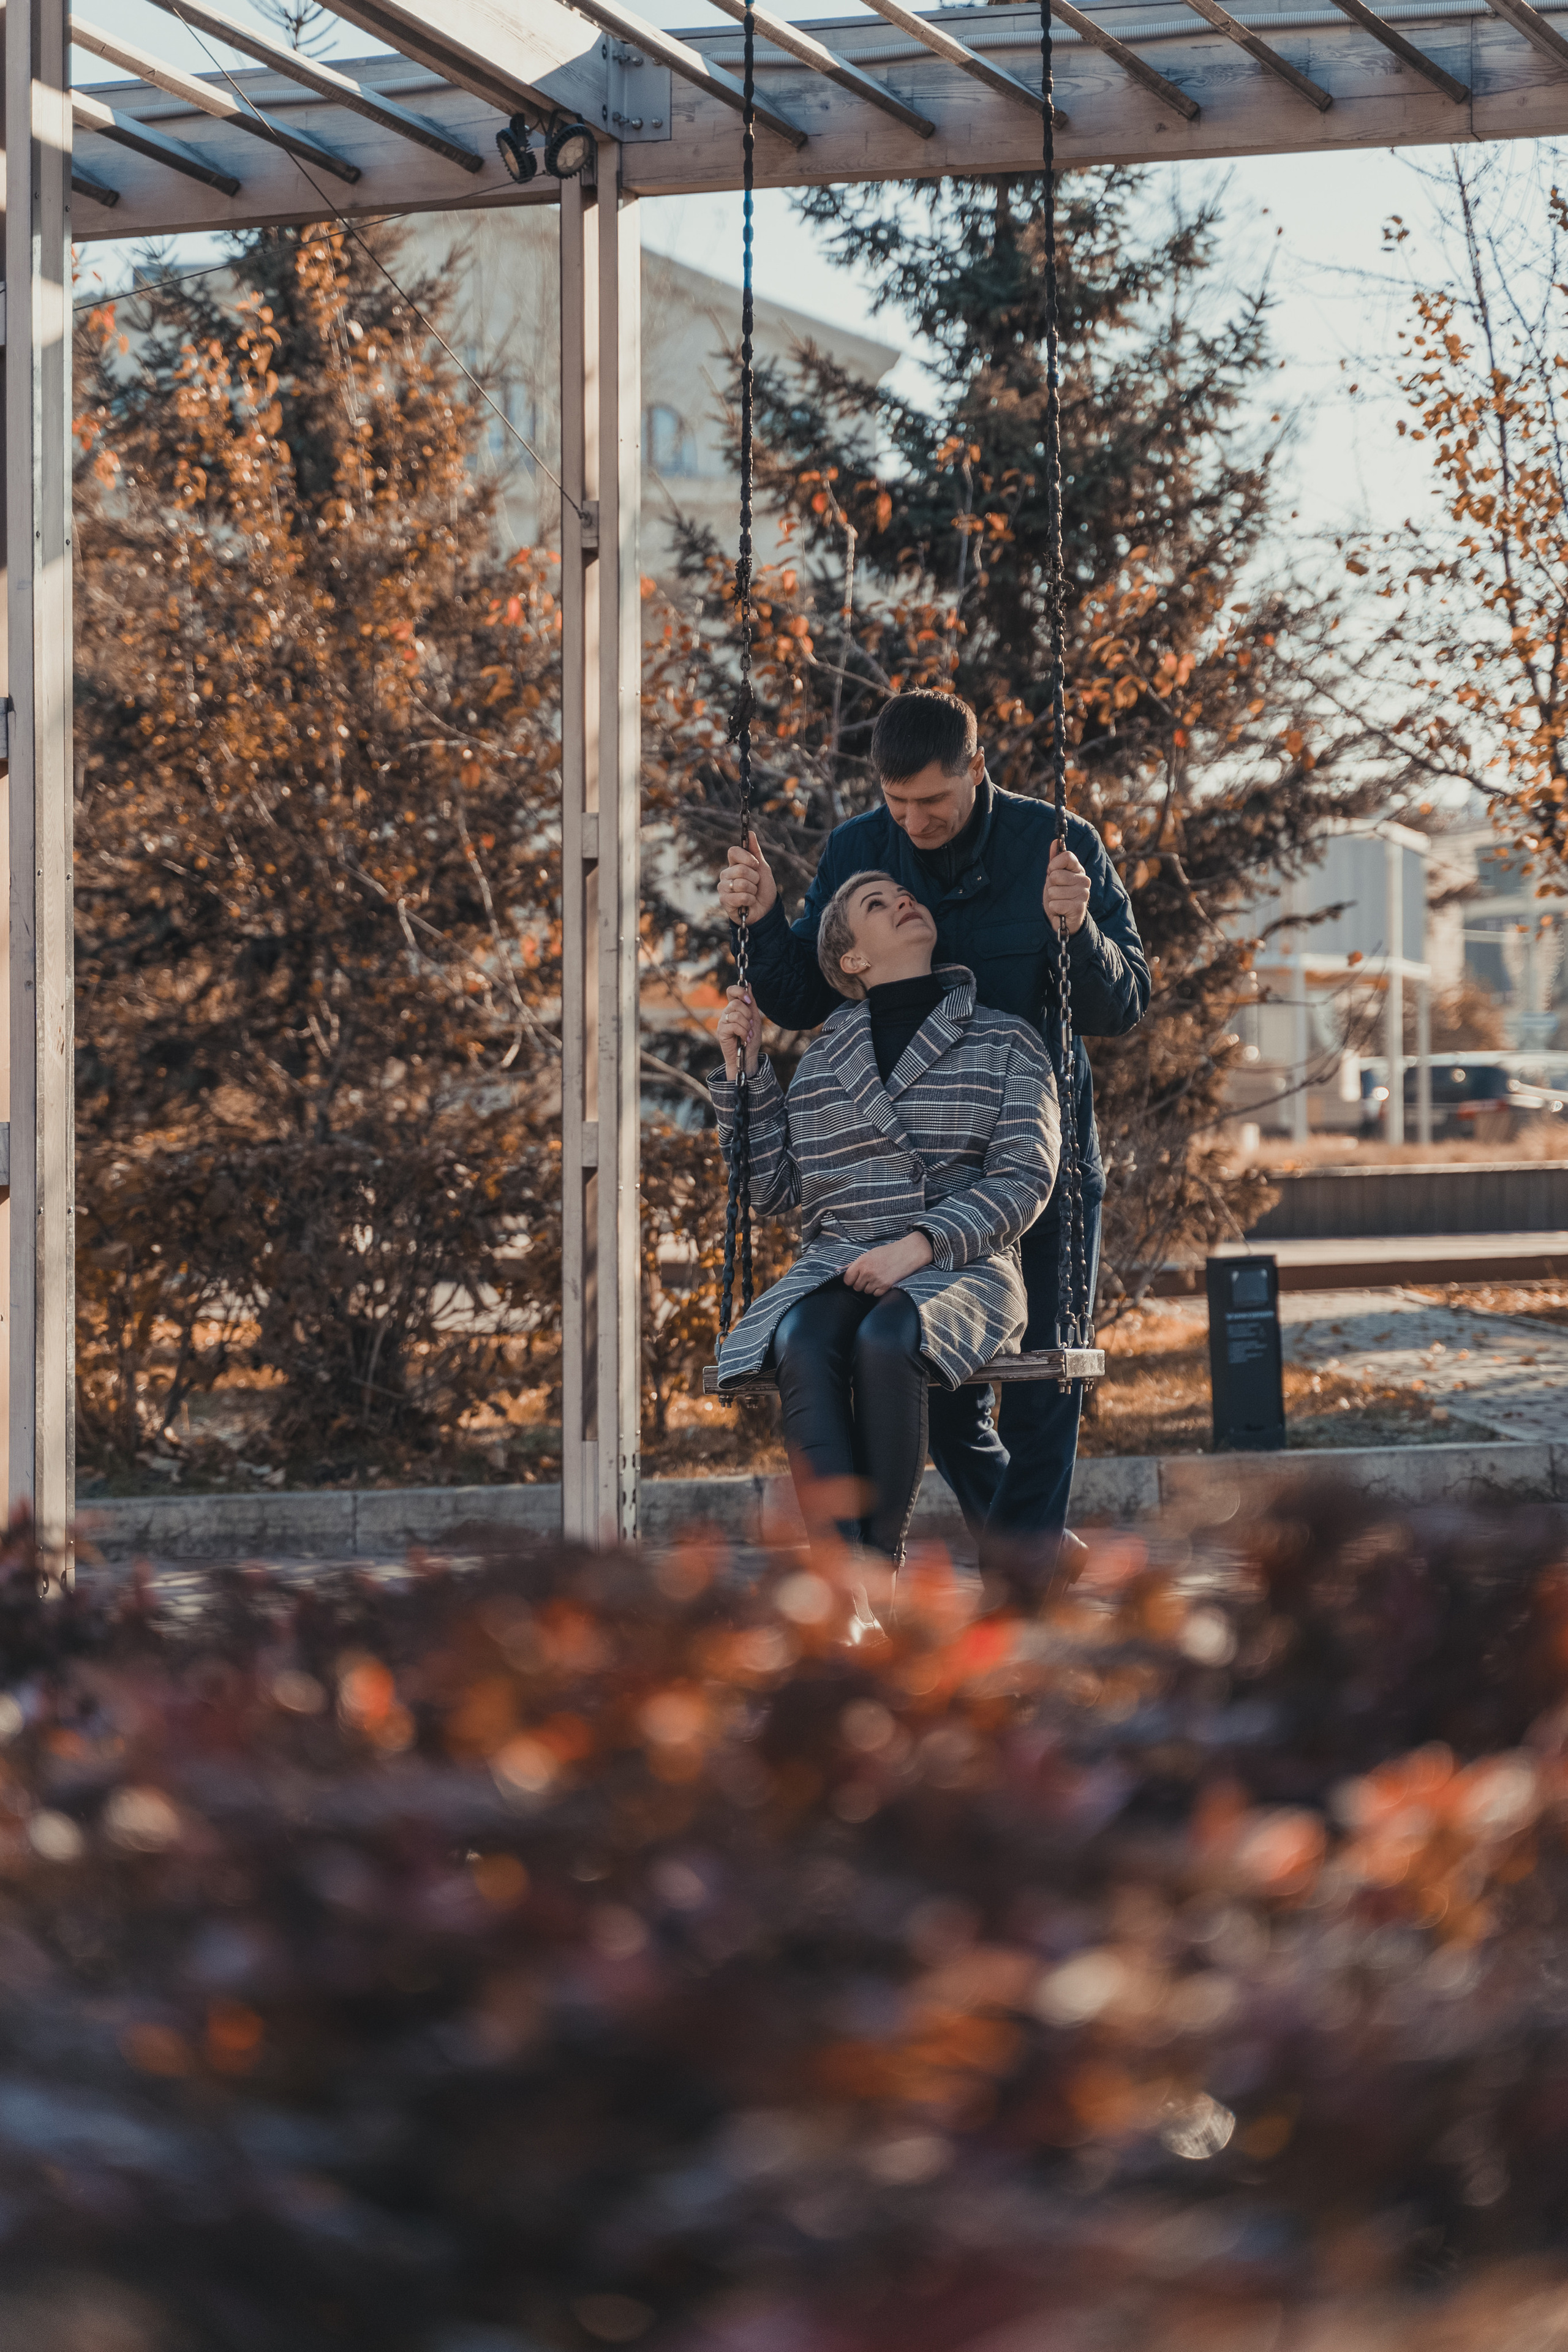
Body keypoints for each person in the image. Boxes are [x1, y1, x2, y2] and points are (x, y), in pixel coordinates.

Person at [716, 688, 1148, 1582]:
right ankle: (1018, 1556)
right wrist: (760, 923)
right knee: (939, 1388)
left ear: (976, 769)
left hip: (1032, 1163)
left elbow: (1123, 1004)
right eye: (896, 803)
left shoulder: (1055, 847)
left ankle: (1022, 1577)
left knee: (1039, 1390)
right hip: (902, 1183)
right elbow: (811, 993)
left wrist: (1078, 932)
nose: (912, 822)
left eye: (933, 804)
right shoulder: (858, 852)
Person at [709, 870, 1060, 1566]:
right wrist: (745, 1075)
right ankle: (845, 1582)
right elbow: (775, 1188)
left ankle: (873, 1574)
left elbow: (1026, 1176)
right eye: (877, 903)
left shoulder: (1004, 1041)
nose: (904, 899)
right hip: (839, 1261)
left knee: (886, 1335)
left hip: (962, 1266)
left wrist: (921, 1244)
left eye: (906, 893)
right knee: (802, 1336)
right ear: (852, 961)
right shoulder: (819, 1064)